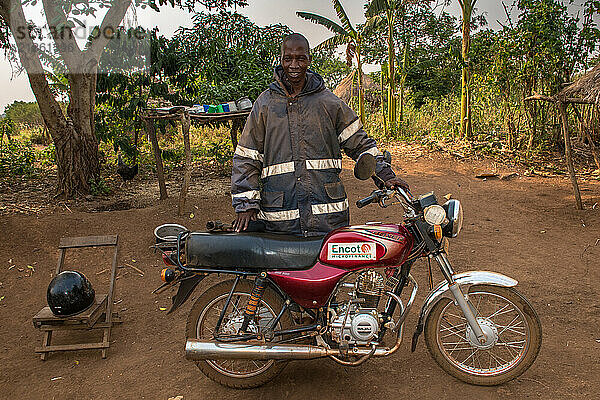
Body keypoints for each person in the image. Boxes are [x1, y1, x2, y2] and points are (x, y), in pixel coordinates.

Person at [231, 33, 409, 236]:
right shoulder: (265, 104)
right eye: (288, 58)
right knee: (283, 269)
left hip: (328, 216)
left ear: (309, 60)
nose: (294, 65)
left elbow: (360, 144)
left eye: (300, 58)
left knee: (335, 268)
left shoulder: (329, 103)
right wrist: (246, 204)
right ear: (281, 60)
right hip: (280, 218)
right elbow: (247, 156)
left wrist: (385, 175)